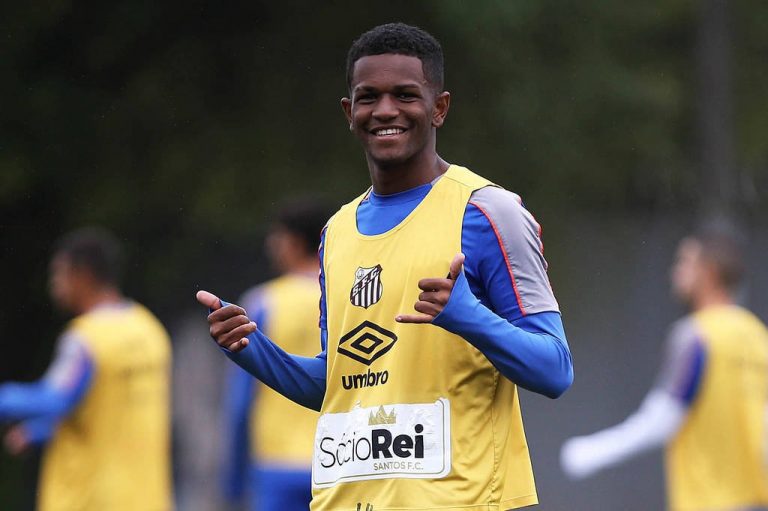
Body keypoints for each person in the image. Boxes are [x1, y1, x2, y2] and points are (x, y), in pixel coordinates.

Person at [198, 23, 573, 510]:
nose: (386, 110)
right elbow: (340, 384)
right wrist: (252, 350)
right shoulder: (336, 232)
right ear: (349, 112)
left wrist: (468, 317)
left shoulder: (488, 212)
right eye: (369, 97)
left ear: (439, 108)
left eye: (405, 95)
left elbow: (554, 369)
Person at [560, 228, 768, 511]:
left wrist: (593, 451)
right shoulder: (758, 337)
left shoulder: (696, 334)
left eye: (685, 263)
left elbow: (662, 418)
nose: (675, 272)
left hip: (707, 502)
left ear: (709, 272)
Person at [0, 227, 173, 511]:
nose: (53, 284)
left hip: (93, 500)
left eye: (58, 274)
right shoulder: (149, 329)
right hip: (148, 499)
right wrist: (40, 431)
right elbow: (111, 409)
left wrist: (4, 398)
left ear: (82, 275)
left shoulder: (87, 338)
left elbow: (54, 398)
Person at [222, 198, 331, 511]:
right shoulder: (344, 294)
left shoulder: (263, 302)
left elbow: (242, 399)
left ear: (292, 242)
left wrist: (234, 478)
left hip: (276, 464)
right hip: (338, 456)